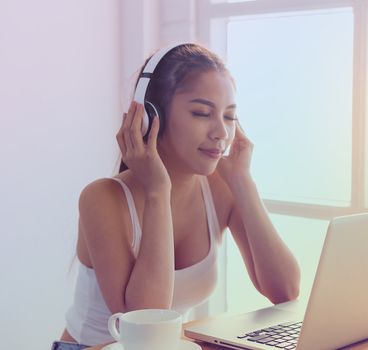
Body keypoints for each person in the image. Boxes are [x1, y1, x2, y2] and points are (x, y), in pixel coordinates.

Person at [52, 43, 300, 349]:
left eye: (229, 116)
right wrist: (158, 190)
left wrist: (243, 181)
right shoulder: (102, 198)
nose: (221, 132)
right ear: (151, 116)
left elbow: (285, 291)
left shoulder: (222, 187)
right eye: (201, 113)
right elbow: (144, 321)